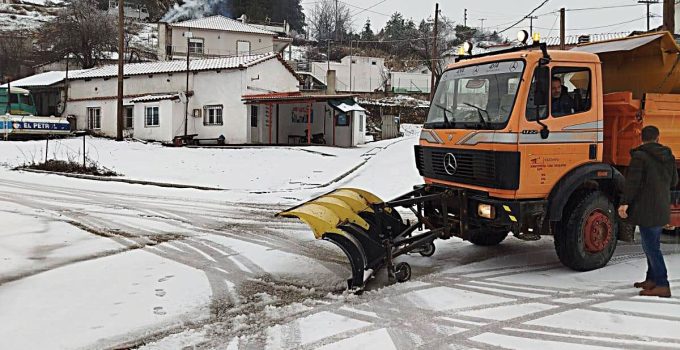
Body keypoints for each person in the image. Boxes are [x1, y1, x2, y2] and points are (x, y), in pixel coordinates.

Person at [619, 125, 678, 298]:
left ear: (641, 138)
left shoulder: (640, 157)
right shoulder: (669, 157)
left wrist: (624, 203)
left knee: (651, 248)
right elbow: (674, 181)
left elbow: (633, 183)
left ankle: (662, 284)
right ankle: (651, 279)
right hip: (661, 206)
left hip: (646, 208)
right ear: (658, 138)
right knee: (650, 245)